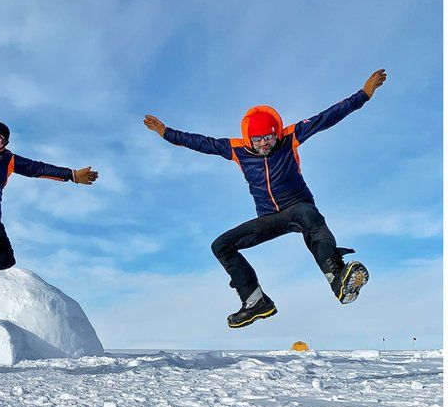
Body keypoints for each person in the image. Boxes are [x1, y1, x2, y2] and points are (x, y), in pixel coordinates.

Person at [143, 69, 387, 328]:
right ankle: (255, 301)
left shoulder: (290, 137)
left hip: (298, 207)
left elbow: (328, 117)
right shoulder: (236, 149)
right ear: (249, 137)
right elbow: (200, 143)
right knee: (221, 245)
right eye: (259, 140)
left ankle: (337, 277)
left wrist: (364, 94)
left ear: (277, 132)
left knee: (310, 216)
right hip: (270, 218)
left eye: (269, 137)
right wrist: (166, 132)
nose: (265, 144)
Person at [0, 65, 99, 298]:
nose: (0, 141)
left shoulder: (8, 160)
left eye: (4, 140)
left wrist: (71, 175)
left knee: (6, 260)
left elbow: (38, 168)